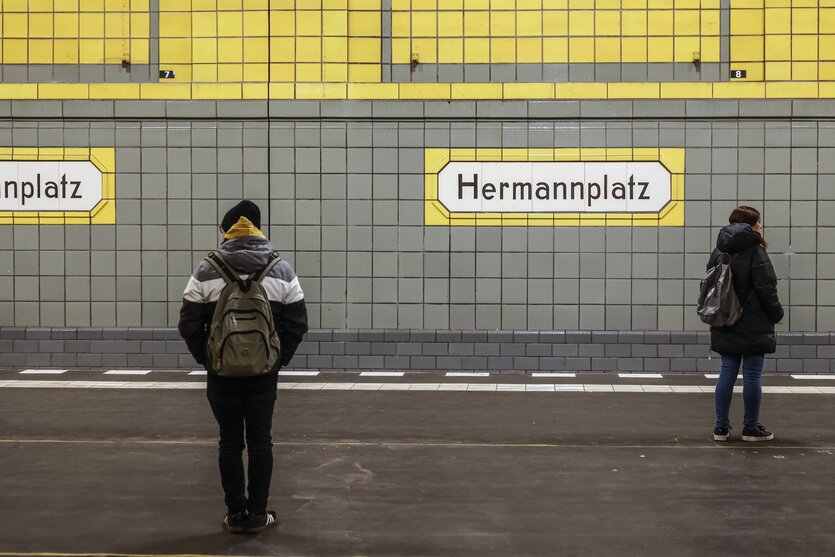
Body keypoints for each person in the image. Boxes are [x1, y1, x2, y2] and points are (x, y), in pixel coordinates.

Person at [178, 200, 308, 532]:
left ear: (228, 231)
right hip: (264, 374)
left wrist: (208, 359)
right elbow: (297, 322)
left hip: (221, 374)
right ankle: (258, 514)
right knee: (261, 441)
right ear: (259, 230)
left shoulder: (206, 269)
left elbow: (189, 324)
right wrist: (277, 359)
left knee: (230, 440)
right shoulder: (281, 269)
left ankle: (235, 513)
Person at [708, 206, 783, 442]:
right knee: (752, 375)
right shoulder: (756, 252)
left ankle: (721, 428)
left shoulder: (718, 251)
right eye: (759, 222)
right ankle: (750, 428)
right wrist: (776, 313)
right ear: (751, 224)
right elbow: (766, 288)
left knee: (727, 372)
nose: (761, 225)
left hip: (724, 319)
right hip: (753, 322)